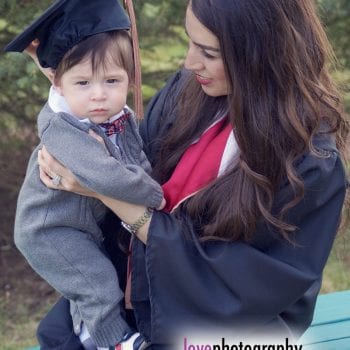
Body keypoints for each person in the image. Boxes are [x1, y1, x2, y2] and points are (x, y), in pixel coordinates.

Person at [26, 0, 350, 348]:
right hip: (138, 290)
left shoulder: (308, 162)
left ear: (259, 53)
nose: (189, 62)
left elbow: (248, 284)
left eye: (208, 52)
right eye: (189, 42)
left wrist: (107, 194)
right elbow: (135, 162)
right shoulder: (188, 91)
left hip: (223, 325)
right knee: (62, 335)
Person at [5, 0, 164, 349]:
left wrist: (148, 174)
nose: (98, 95)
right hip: (49, 230)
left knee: (91, 280)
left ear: (129, 78)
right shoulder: (61, 127)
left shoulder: (114, 115)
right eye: (83, 82)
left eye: (112, 80)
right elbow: (104, 175)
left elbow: (136, 155)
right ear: (57, 83)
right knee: (96, 283)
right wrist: (156, 194)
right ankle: (115, 340)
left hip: (80, 224)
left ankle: (88, 331)